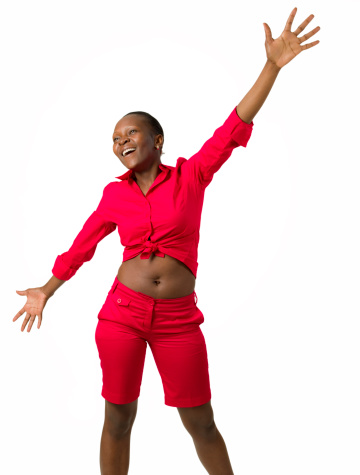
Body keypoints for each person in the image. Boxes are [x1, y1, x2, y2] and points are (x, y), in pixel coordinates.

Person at [13, 8, 320, 475]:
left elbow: (233, 126)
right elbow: (83, 246)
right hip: (123, 314)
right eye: (115, 139)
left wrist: (271, 67)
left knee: (201, 422)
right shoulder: (114, 194)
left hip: (178, 321)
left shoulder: (191, 177)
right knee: (118, 417)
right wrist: (45, 290)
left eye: (130, 132)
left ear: (157, 139)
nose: (121, 142)